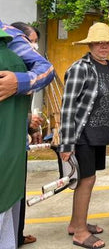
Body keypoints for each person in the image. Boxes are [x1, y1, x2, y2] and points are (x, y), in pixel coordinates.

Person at [59, 22, 109, 249]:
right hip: (82, 134)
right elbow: (68, 107)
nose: (104, 46)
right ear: (90, 44)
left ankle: (76, 223)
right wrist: (66, 142)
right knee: (86, 179)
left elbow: (108, 99)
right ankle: (80, 233)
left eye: (107, 43)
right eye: (99, 42)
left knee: (87, 179)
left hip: (100, 133)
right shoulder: (79, 68)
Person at [0, 20, 54, 249]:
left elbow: (46, 70)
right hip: (10, 144)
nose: (32, 47)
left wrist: (20, 82)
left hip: (11, 146)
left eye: (33, 43)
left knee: (13, 200)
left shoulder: (10, 39)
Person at [11, 22, 43, 246]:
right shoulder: (11, 70)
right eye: (30, 41)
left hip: (18, 143)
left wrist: (31, 125)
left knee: (18, 194)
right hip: (8, 144)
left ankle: (17, 234)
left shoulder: (26, 70)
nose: (33, 46)